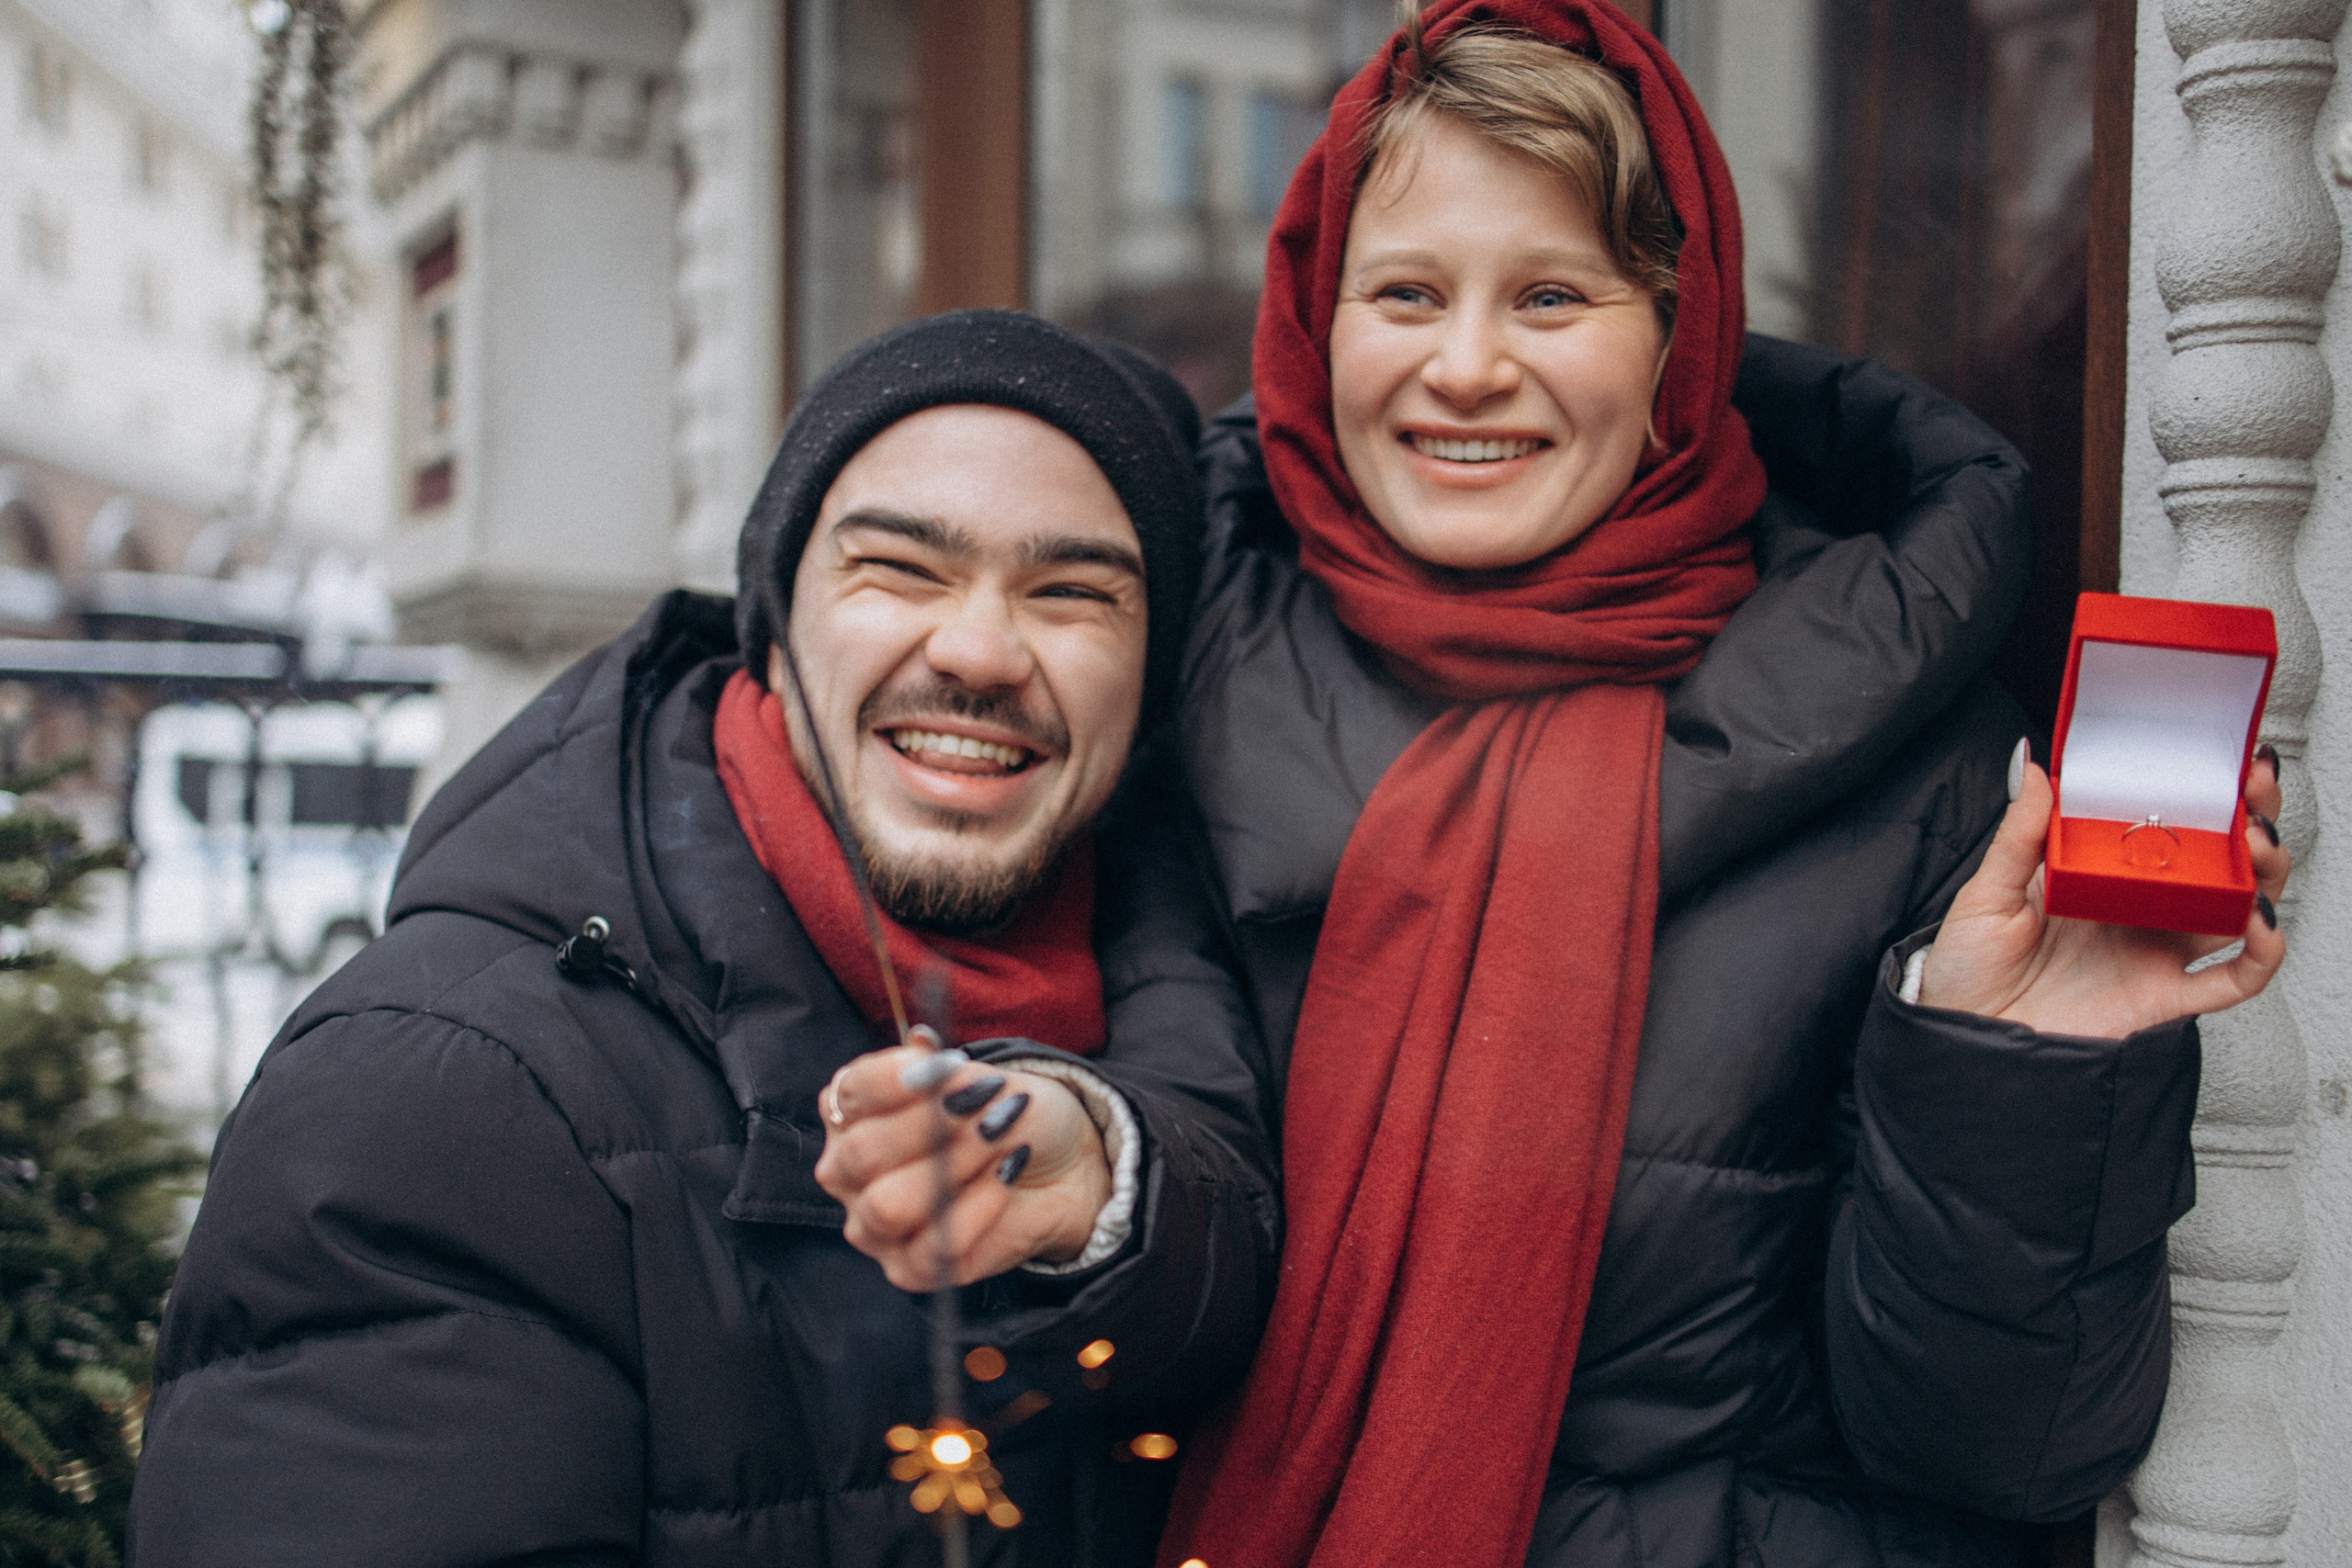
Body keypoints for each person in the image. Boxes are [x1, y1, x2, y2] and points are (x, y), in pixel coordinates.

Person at [1160, 6, 2290, 1568]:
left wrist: (2013, 1074)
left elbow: (2011, 1455)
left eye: (1553, 294)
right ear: (1315, 322)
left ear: (1677, 335)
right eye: (1404, 292)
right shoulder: (1175, 675)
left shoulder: (1918, 753)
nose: (1466, 366)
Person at [129, 311, 1279, 1567]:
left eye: (1073, 594)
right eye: (899, 569)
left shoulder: (1203, 1022)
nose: (979, 651)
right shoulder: (444, 1094)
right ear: (774, 631)